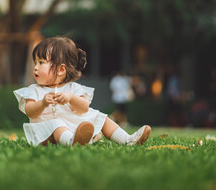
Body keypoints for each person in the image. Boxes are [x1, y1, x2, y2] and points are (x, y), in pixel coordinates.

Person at [13, 36, 151, 146]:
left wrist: (71, 98)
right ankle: (71, 142)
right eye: (35, 62)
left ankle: (127, 140)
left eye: (41, 62)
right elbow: (30, 110)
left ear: (61, 69)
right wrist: (42, 103)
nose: (35, 67)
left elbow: (84, 108)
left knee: (100, 116)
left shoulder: (73, 88)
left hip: (72, 127)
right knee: (57, 123)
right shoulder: (33, 90)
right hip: (45, 133)